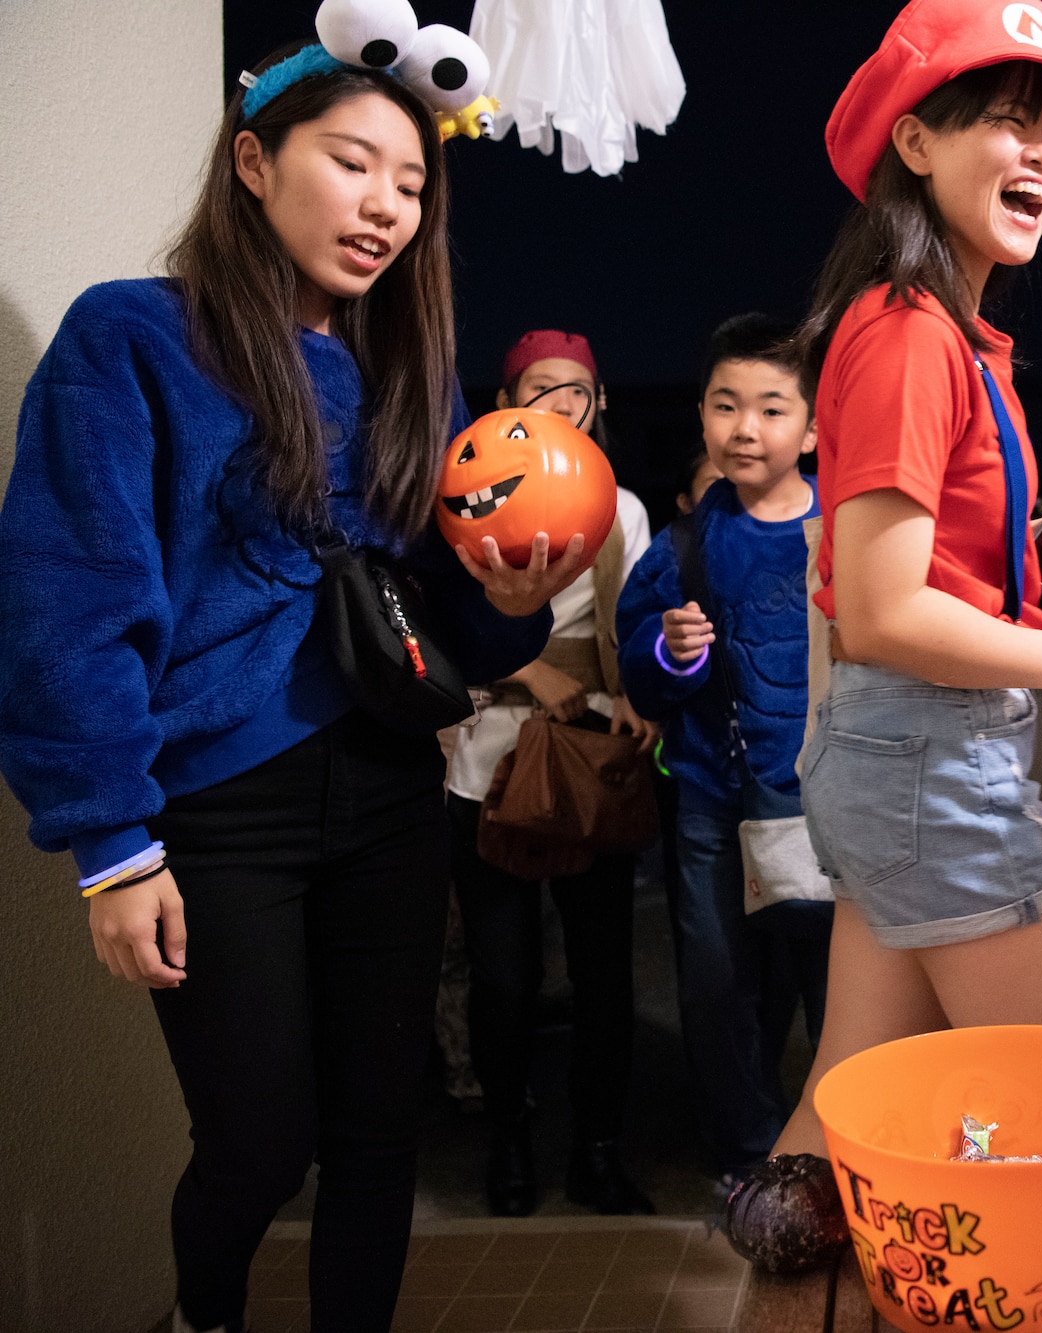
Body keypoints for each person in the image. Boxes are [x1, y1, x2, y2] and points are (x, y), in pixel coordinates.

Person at [0, 39, 583, 1333]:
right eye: (352, 162)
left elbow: (452, 635)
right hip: (213, 813)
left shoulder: (407, 376)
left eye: (411, 183)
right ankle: (204, 1316)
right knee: (259, 1145)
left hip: (387, 792)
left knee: (380, 1135)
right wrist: (111, 844)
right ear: (255, 163)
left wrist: (509, 599)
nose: (386, 203)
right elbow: (67, 600)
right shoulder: (131, 338)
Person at [715, 0, 1042, 1272]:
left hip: (909, 761)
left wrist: (1039, 544)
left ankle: (783, 1246)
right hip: (932, 762)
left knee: (848, 1100)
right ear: (912, 140)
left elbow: (919, 572)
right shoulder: (909, 335)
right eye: (1006, 121)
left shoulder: (949, 334)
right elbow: (890, 611)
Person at [445, 329, 658, 1217]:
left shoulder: (625, 509)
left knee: (606, 969)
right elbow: (434, 625)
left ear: (597, 404)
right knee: (503, 976)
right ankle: (508, 1137)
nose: (557, 406)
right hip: (482, 762)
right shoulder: (461, 498)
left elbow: (643, 622)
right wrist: (531, 669)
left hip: (591, 763)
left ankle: (598, 1146)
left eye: (575, 391)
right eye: (537, 390)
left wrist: (647, 684)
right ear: (504, 404)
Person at [615, 314, 832, 1187]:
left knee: (840, 995)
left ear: (814, 427)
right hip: (713, 801)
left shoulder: (848, 529)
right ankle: (751, 1157)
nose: (746, 428)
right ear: (701, 413)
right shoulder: (682, 547)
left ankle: (842, 1154)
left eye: (773, 409)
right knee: (715, 986)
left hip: (830, 808)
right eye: (726, 405)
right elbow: (642, 680)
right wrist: (670, 652)